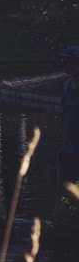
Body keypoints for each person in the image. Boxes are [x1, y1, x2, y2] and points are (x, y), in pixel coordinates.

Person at [58, 46, 79, 184]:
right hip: (68, 150)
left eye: (68, 60)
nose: (64, 63)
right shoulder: (66, 86)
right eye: (63, 59)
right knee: (65, 192)